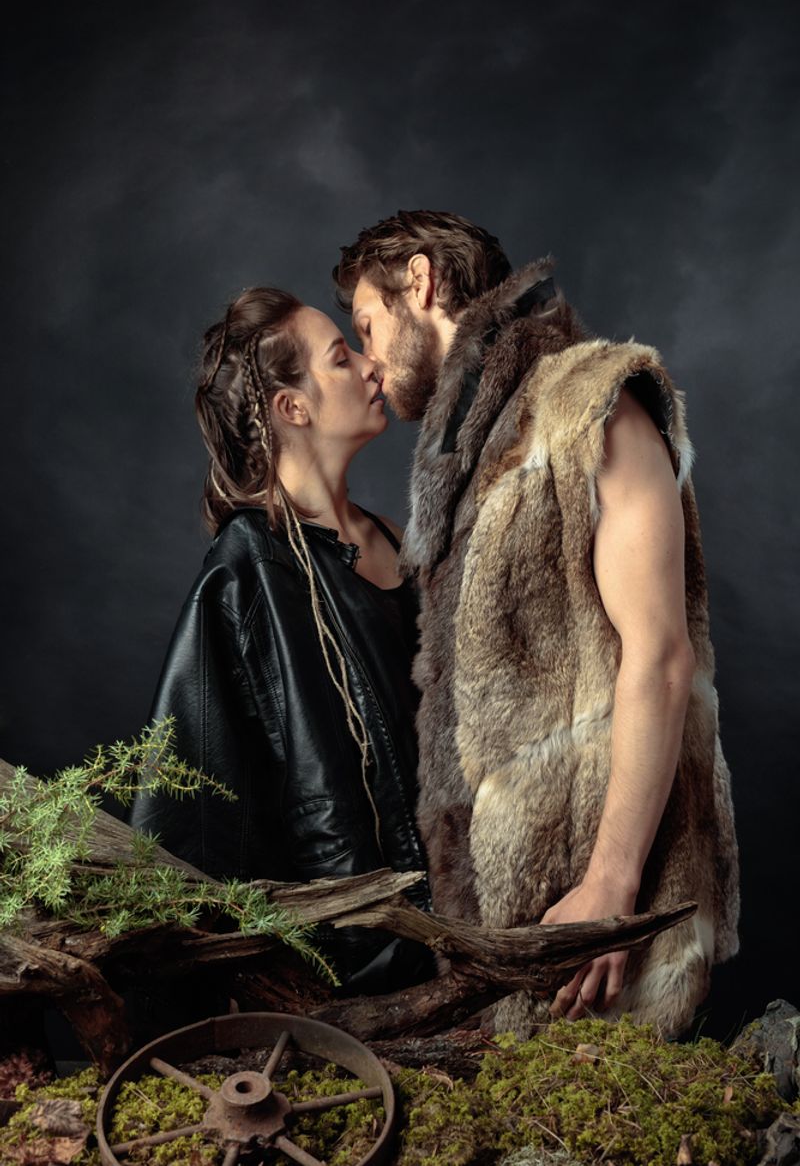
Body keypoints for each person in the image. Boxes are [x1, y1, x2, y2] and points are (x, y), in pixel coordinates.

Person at [332, 210, 739, 1037]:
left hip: (608, 918)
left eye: (366, 325)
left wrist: (611, 892)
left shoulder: (591, 402)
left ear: (421, 281)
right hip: (512, 926)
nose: (368, 359)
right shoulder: (470, 458)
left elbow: (660, 655)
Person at [130, 285, 432, 990]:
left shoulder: (400, 538)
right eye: (340, 357)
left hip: (469, 932)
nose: (371, 366)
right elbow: (186, 818)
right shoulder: (246, 574)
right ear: (292, 408)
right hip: (364, 971)